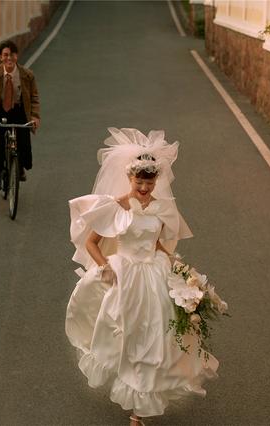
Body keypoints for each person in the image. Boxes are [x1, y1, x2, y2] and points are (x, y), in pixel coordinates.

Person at [65, 128, 218, 425]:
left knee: (156, 333)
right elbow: (91, 243)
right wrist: (104, 268)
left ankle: (139, 408)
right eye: (139, 181)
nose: (145, 187)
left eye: (149, 182)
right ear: (130, 179)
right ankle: (132, 387)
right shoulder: (116, 206)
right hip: (125, 274)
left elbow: (157, 242)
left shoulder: (162, 209)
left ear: (156, 180)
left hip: (154, 271)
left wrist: (174, 263)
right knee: (127, 332)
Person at [0, 40, 40, 190]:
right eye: (5, 55)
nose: (9, 58)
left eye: (12, 55)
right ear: (0, 57)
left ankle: (20, 168)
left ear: (17, 56)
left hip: (19, 111)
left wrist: (34, 117)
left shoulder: (27, 75)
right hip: (0, 112)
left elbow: (34, 97)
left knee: (24, 142)